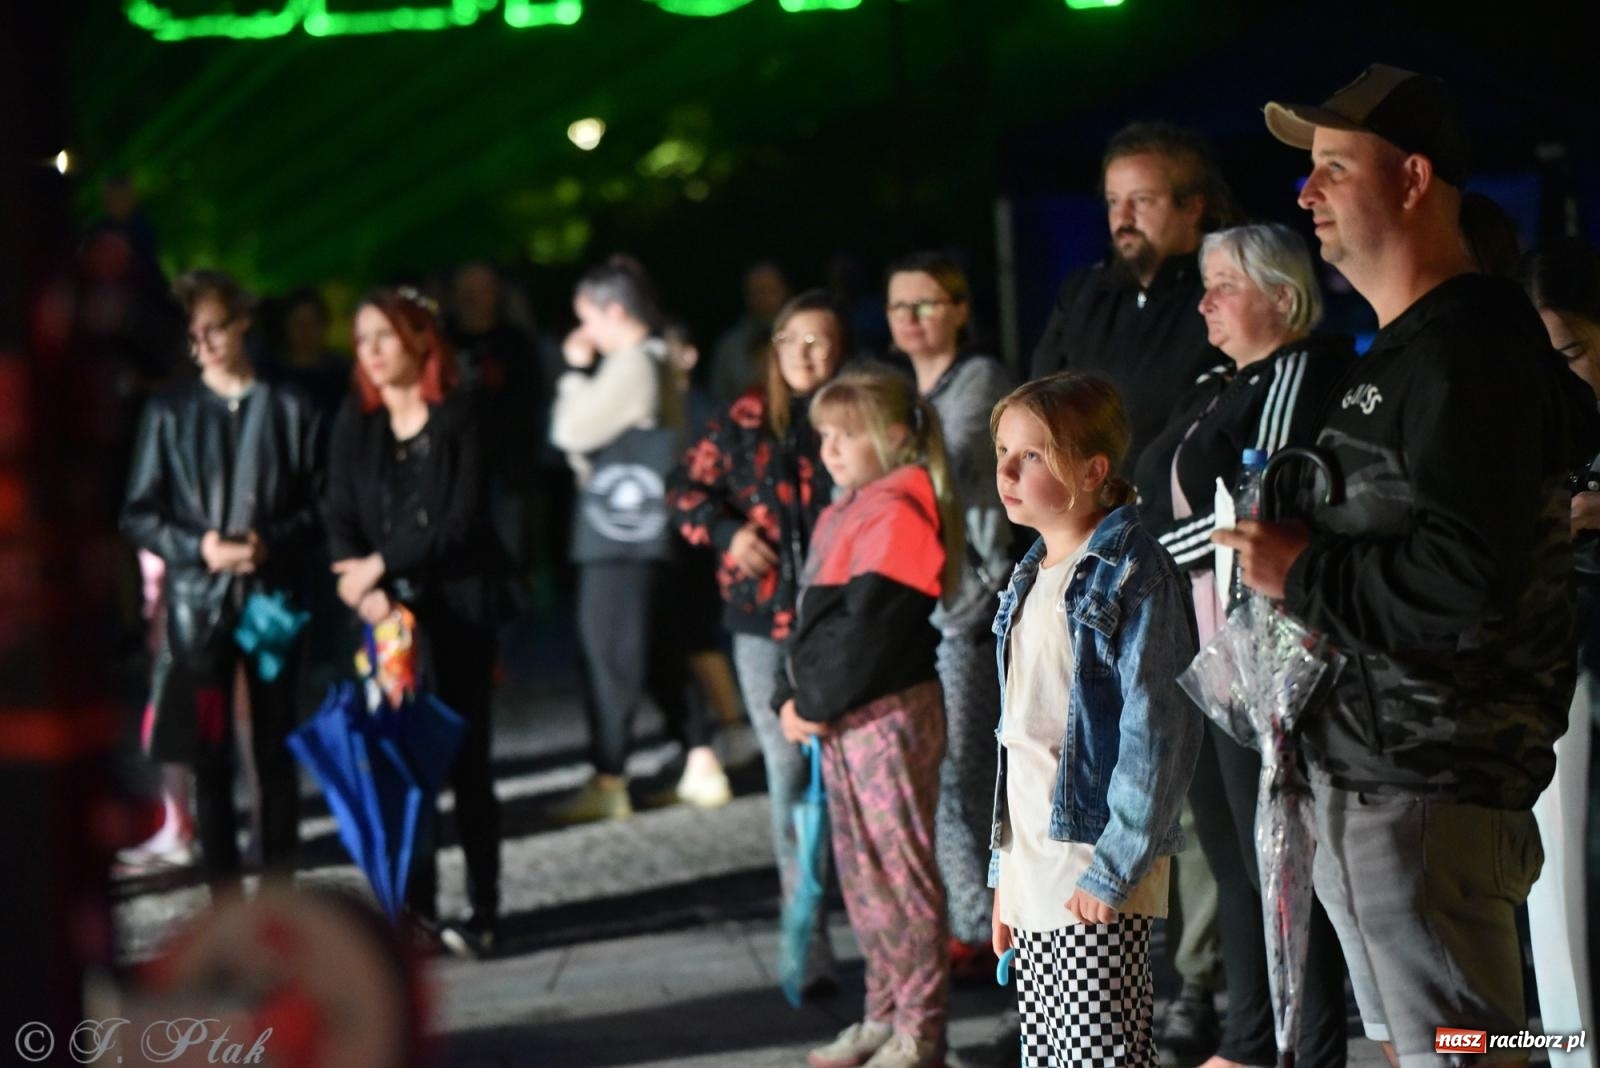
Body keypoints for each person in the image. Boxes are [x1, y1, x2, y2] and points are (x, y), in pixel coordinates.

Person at [1220, 64, 1579, 1067]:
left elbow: (1470, 573)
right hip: (1382, 791)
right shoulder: (1411, 346)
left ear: (1414, 179)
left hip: (1426, 796)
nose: (1304, 193)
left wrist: (1301, 573)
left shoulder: (1468, 347)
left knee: (1476, 1053)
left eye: (1333, 167)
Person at [1134, 222, 1353, 1068]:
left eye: (1223, 283)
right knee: (1231, 855)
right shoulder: (1218, 383)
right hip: (1204, 648)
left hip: (1262, 651)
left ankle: (1294, 1044)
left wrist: (1151, 555)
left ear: (1283, 296)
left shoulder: (1303, 371)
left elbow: (1271, 507)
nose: (1205, 301)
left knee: (1278, 859)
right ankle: (1249, 1036)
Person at [986, 373, 1201, 1068]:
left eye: (1033, 457)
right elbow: (1022, 737)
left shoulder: (1130, 573)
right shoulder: (1030, 573)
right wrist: (1005, 879)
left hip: (1088, 867)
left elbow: (1156, 734)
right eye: (1003, 452)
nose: (1007, 471)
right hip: (1035, 872)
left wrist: (1113, 869)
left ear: (1093, 470)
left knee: (1099, 1054)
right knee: (1048, 1055)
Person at [779, 368, 961, 1068]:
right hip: (841, 719)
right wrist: (790, 699)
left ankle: (922, 1027)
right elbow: (812, 624)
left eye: (846, 434)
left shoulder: (900, 510)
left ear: (891, 436)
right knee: (862, 877)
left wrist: (812, 703)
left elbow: (870, 633)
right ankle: (883, 1013)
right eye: (824, 434)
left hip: (884, 715)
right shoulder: (846, 508)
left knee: (901, 874)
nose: (829, 448)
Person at [669, 291, 847, 993]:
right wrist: (726, 533)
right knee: (786, 770)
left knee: (842, 770)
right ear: (773, 351)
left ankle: (868, 919)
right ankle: (806, 928)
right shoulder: (744, 419)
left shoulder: (857, 417)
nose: (806, 354)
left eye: (820, 340)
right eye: (792, 341)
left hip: (842, 619)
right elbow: (683, 488)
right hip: (760, 619)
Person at [121, 268, 321, 890]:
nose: (202, 343)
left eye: (213, 329)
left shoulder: (291, 407)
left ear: (242, 325)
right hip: (195, 606)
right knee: (209, 756)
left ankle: (280, 893)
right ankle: (223, 898)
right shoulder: (171, 411)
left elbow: (323, 505)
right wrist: (201, 546)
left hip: (270, 601)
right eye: (193, 333)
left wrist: (271, 544)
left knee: (274, 746)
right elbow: (139, 511)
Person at [323, 286, 504, 958]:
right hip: (385, 625)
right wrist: (363, 584)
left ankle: (484, 908)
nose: (369, 352)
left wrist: (376, 565)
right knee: (399, 766)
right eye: (362, 339)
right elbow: (337, 511)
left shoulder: (460, 416)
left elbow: (461, 523)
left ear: (421, 341)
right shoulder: (355, 422)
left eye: (382, 337)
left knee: (467, 763)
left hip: (456, 613)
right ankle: (414, 911)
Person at [550, 258, 729, 822]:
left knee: (609, 652)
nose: (585, 335)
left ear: (614, 312)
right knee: (655, 648)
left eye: (588, 320)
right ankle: (701, 760)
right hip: (642, 534)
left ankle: (609, 777)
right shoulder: (652, 361)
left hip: (618, 537)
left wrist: (575, 372)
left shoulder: (632, 364)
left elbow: (569, 431)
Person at [884, 251, 1014, 979]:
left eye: (926, 303)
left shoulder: (980, 381)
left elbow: (951, 464)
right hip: (919, 605)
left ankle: (985, 927)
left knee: (965, 766)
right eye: (899, 306)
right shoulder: (905, 387)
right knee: (933, 766)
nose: (909, 318)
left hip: (967, 604)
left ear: (960, 308)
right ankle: (964, 916)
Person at [1030, 121, 1240, 473]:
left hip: (1179, 513)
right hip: (1089, 511)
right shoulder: (1083, 293)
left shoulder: (1224, 295)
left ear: (1192, 207)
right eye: (1114, 201)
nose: (1123, 218)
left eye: (1142, 200)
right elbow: (1039, 397)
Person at [1519, 238, 1600, 1065]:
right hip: (1554, 668)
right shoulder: (1537, 417)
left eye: (1572, 350)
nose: (1560, 372)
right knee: (1557, 898)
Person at [709, 260, 791, 405]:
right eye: (757, 290)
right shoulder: (730, 346)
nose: (764, 297)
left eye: (770, 289)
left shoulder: (799, 339)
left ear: (784, 290)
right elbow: (718, 397)